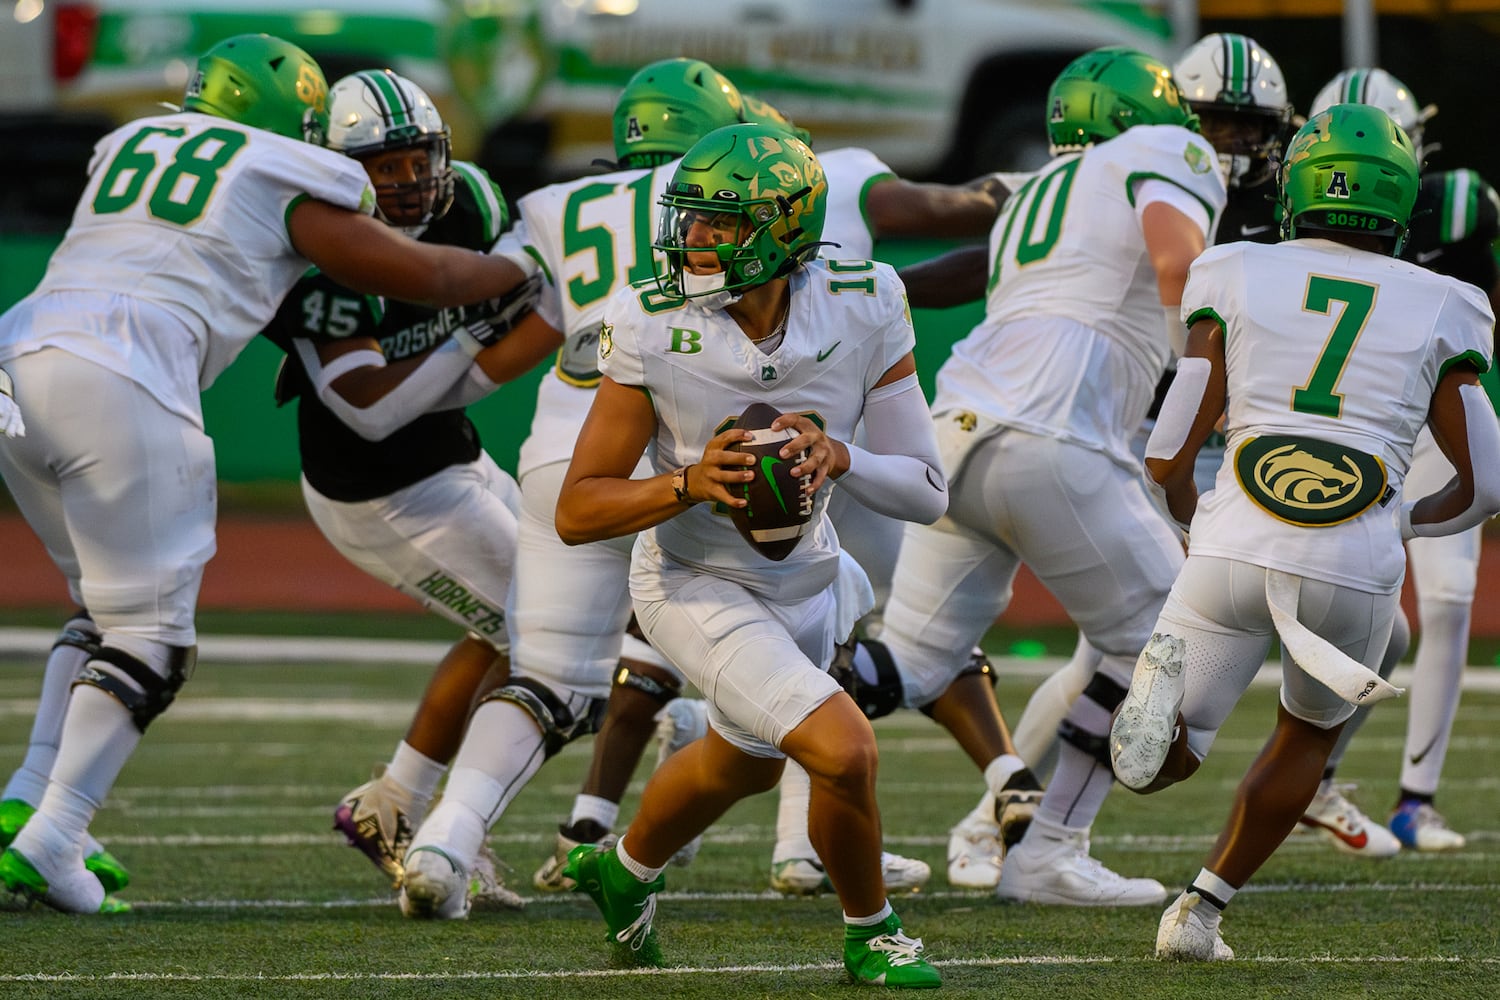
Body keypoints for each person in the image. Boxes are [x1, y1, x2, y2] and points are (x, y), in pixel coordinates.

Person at [0, 34, 534, 915]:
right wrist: (535, 277)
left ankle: (32, 791)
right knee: (151, 639)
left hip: (22, 351)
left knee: (102, 609)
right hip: (124, 370)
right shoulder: (285, 168)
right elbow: (420, 268)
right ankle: (56, 836)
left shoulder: (129, 140)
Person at [555, 121, 947, 987]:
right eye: (687, 219)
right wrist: (690, 482)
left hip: (807, 578)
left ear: (785, 229)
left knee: (744, 765)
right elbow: (577, 510)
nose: (692, 238)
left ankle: (623, 872)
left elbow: (926, 488)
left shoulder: (865, 297)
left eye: (719, 222)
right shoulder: (651, 322)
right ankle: (871, 935)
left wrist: (841, 455)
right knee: (842, 750)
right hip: (691, 580)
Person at [1108, 102, 1500, 960]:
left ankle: (1167, 721)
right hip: (1354, 558)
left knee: (1173, 754)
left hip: (1234, 536)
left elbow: (1169, 450)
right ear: (1399, 204)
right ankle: (1201, 913)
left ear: (1296, 189)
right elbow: (1486, 485)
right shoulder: (1450, 302)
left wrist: (1188, 521)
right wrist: (1405, 519)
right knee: (1307, 739)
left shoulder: (1234, 268)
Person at [932, 31, 1297, 888]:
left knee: (1115, 646)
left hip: (1170, 422)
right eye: (1214, 122)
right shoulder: (1141, 169)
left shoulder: (1262, 205)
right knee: (1150, 637)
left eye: (1248, 127)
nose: (1232, 145)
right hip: (1115, 422)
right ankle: (1021, 828)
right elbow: (986, 257)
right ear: (1170, 116)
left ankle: (1007, 819)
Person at [865, 47, 1225, 908]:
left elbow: (971, 267)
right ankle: (1048, 850)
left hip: (954, 429)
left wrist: (870, 295)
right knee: (1179, 634)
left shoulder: (1035, 189)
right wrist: (1204, 380)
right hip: (1054, 437)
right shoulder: (1168, 152)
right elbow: (1182, 270)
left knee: (906, 664)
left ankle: (720, 729)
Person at [253, 68, 556, 903]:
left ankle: (396, 803)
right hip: (379, 488)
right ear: (343, 171)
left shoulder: (476, 204)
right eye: (384, 166)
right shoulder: (321, 257)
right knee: (551, 646)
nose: (411, 180)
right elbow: (371, 411)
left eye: (419, 158)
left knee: (532, 625)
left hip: (452, 454)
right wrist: (495, 339)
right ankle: (450, 830)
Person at [1295, 67, 1500, 856]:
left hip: (1423, 417)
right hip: (1340, 417)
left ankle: (1415, 798)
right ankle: (1309, 775)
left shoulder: (1458, 206)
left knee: (1447, 603)